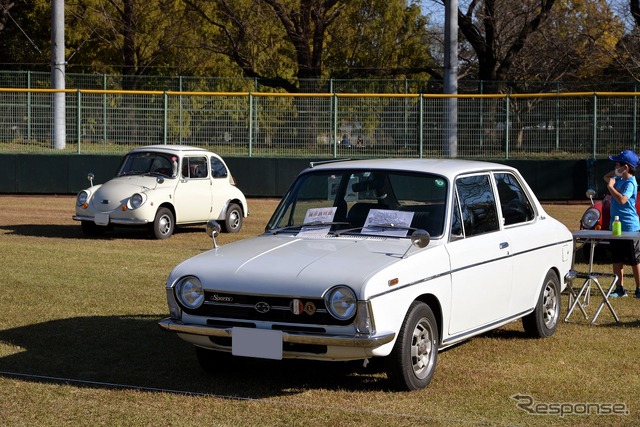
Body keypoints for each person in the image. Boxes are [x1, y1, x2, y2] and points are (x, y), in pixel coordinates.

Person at [604, 149, 640, 298]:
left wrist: (611, 187)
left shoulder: (630, 183)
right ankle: (619, 288)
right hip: (616, 226)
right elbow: (606, 177)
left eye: (617, 164)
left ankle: (639, 288)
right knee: (617, 259)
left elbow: (623, 200)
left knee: (634, 259)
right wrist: (615, 175)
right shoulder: (619, 179)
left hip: (630, 228)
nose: (614, 167)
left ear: (625, 167)